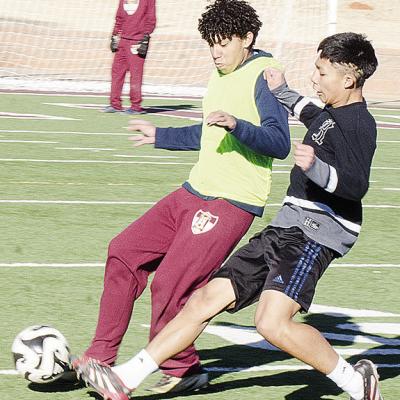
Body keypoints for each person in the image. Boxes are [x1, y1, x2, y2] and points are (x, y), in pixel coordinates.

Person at [74, 32, 383, 400]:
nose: (314, 78)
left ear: (348, 79)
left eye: (322, 72)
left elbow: (355, 185)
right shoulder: (331, 114)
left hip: (315, 235)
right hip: (285, 227)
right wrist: (283, 92)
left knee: (271, 323)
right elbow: (309, 112)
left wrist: (316, 168)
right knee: (202, 300)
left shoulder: (360, 124)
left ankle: (355, 382)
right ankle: (124, 378)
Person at [73, 0, 290, 395]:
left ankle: (183, 367)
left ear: (248, 39)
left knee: (171, 283)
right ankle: (99, 356)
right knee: (124, 250)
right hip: (193, 191)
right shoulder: (220, 73)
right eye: (211, 43)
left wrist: (237, 124)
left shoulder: (264, 76)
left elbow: (279, 142)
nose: (216, 51)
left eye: (224, 43)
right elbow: (207, 134)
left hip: (230, 202)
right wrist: (161, 137)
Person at [103, 0, 156, 115]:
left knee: (135, 74)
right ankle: (115, 104)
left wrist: (145, 37)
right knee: (117, 72)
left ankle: (135, 106)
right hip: (122, 41)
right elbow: (119, 18)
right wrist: (115, 35)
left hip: (137, 42)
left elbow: (151, 19)